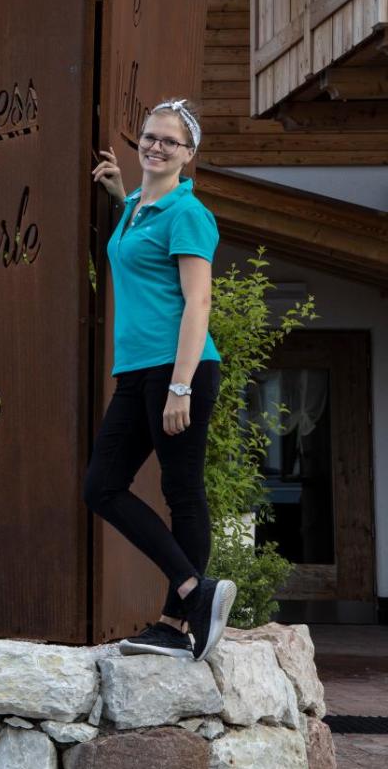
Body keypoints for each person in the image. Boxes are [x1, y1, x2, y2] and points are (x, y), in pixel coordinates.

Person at [87, 98, 236, 662]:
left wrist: (181, 386)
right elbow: (139, 252)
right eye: (150, 136)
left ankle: (175, 624)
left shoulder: (187, 214)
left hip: (179, 368)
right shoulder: (136, 208)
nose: (155, 146)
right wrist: (120, 192)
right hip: (135, 372)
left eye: (169, 141)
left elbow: (199, 303)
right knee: (101, 486)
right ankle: (196, 592)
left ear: (188, 154)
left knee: (182, 491)